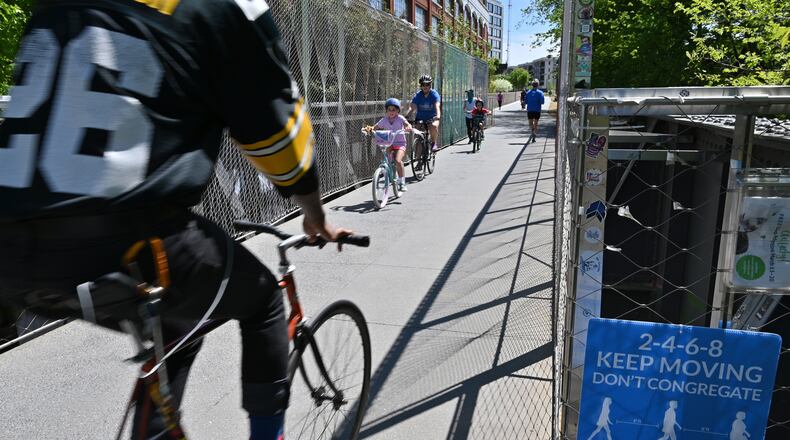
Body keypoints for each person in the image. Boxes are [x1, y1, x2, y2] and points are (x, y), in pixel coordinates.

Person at [0, 1, 352, 439]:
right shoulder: (227, 6)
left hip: (11, 243)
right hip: (123, 236)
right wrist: (313, 213)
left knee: (180, 320)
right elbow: (277, 135)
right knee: (262, 301)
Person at [366, 98, 413, 192]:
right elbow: (375, 127)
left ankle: (402, 182)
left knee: (398, 161)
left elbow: (407, 124)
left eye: (394, 110)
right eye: (389, 109)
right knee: (388, 160)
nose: (391, 112)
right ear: (386, 111)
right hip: (389, 143)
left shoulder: (400, 118)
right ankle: (391, 173)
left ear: (398, 111)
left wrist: (408, 127)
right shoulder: (384, 120)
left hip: (400, 144)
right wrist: (369, 129)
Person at [405, 74, 441, 154]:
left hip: (432, 118)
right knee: (417, 137)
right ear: (420, 86)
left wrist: (437, 117)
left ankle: (434, 143)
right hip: (420, 118)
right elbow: (412, 107)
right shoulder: (418, 95)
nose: (425, 86)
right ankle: (418, 161)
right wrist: (406, 116)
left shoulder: (434, 94)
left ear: (430, 85)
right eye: (423, 84)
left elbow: (437, 107)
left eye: (427, 84)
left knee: (434, 126)